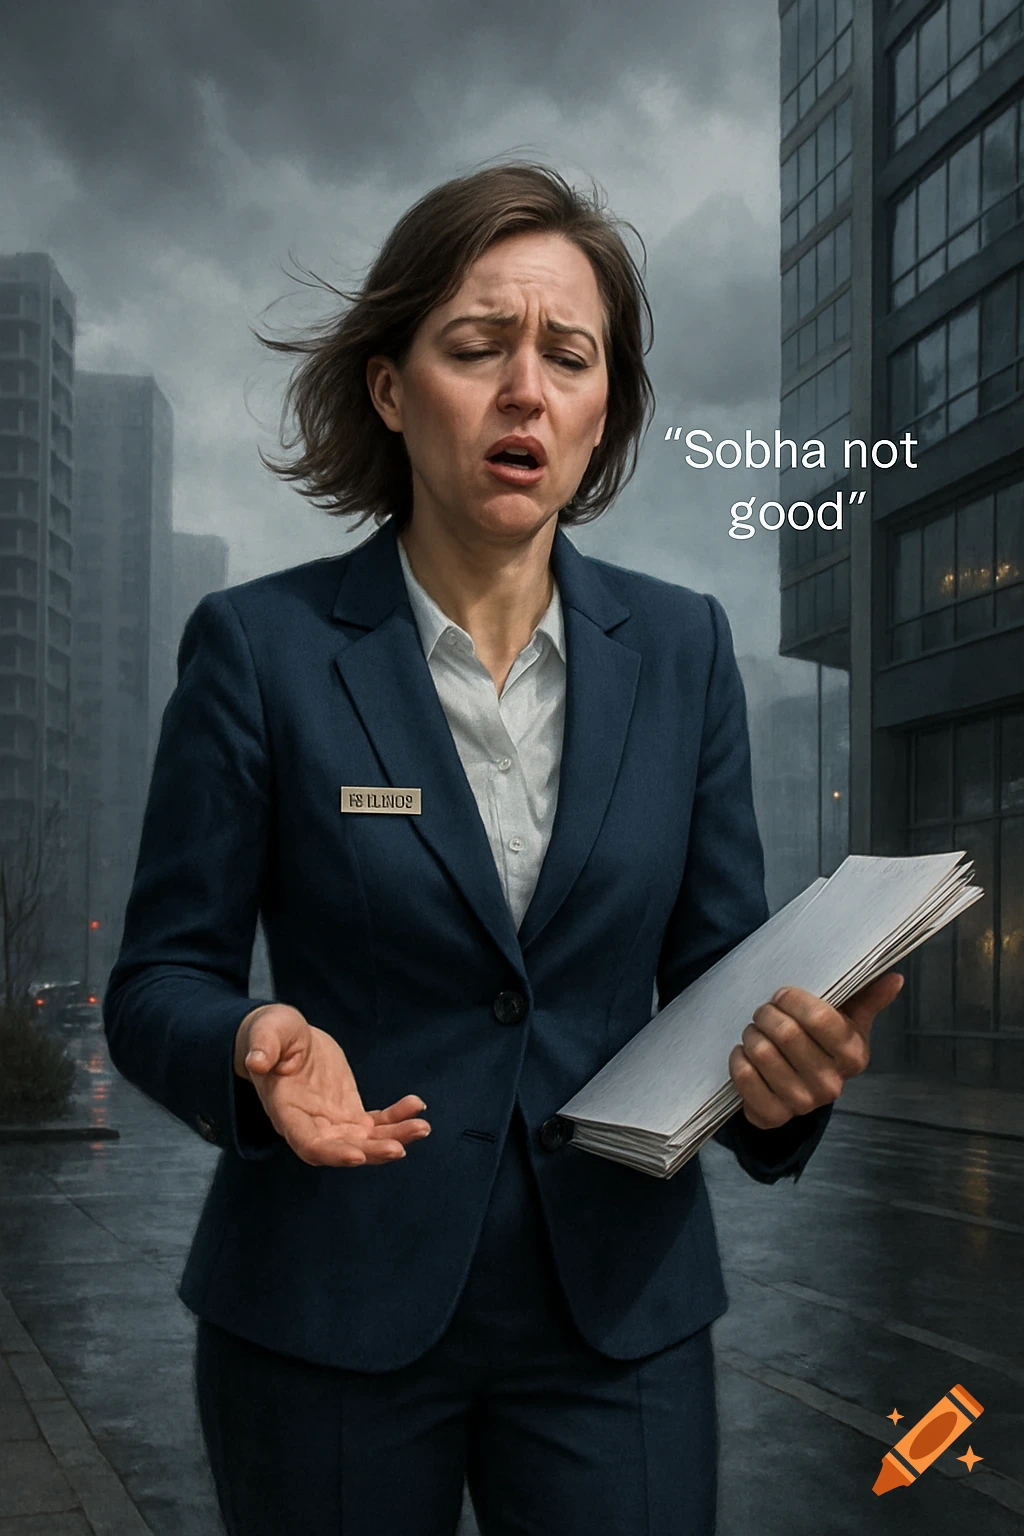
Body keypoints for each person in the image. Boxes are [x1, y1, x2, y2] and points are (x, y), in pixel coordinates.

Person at [103, 163, 902, 1536]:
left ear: (604, 415)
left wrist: (784, 1083)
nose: (525, 387)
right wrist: (252, 1039)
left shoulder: (684, 649)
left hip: (620, 1322)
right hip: (323, 1312)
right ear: (392, 389)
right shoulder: (261, 650)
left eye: (570, 357)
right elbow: (158, 979)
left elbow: (720, 975)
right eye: (477, 348)